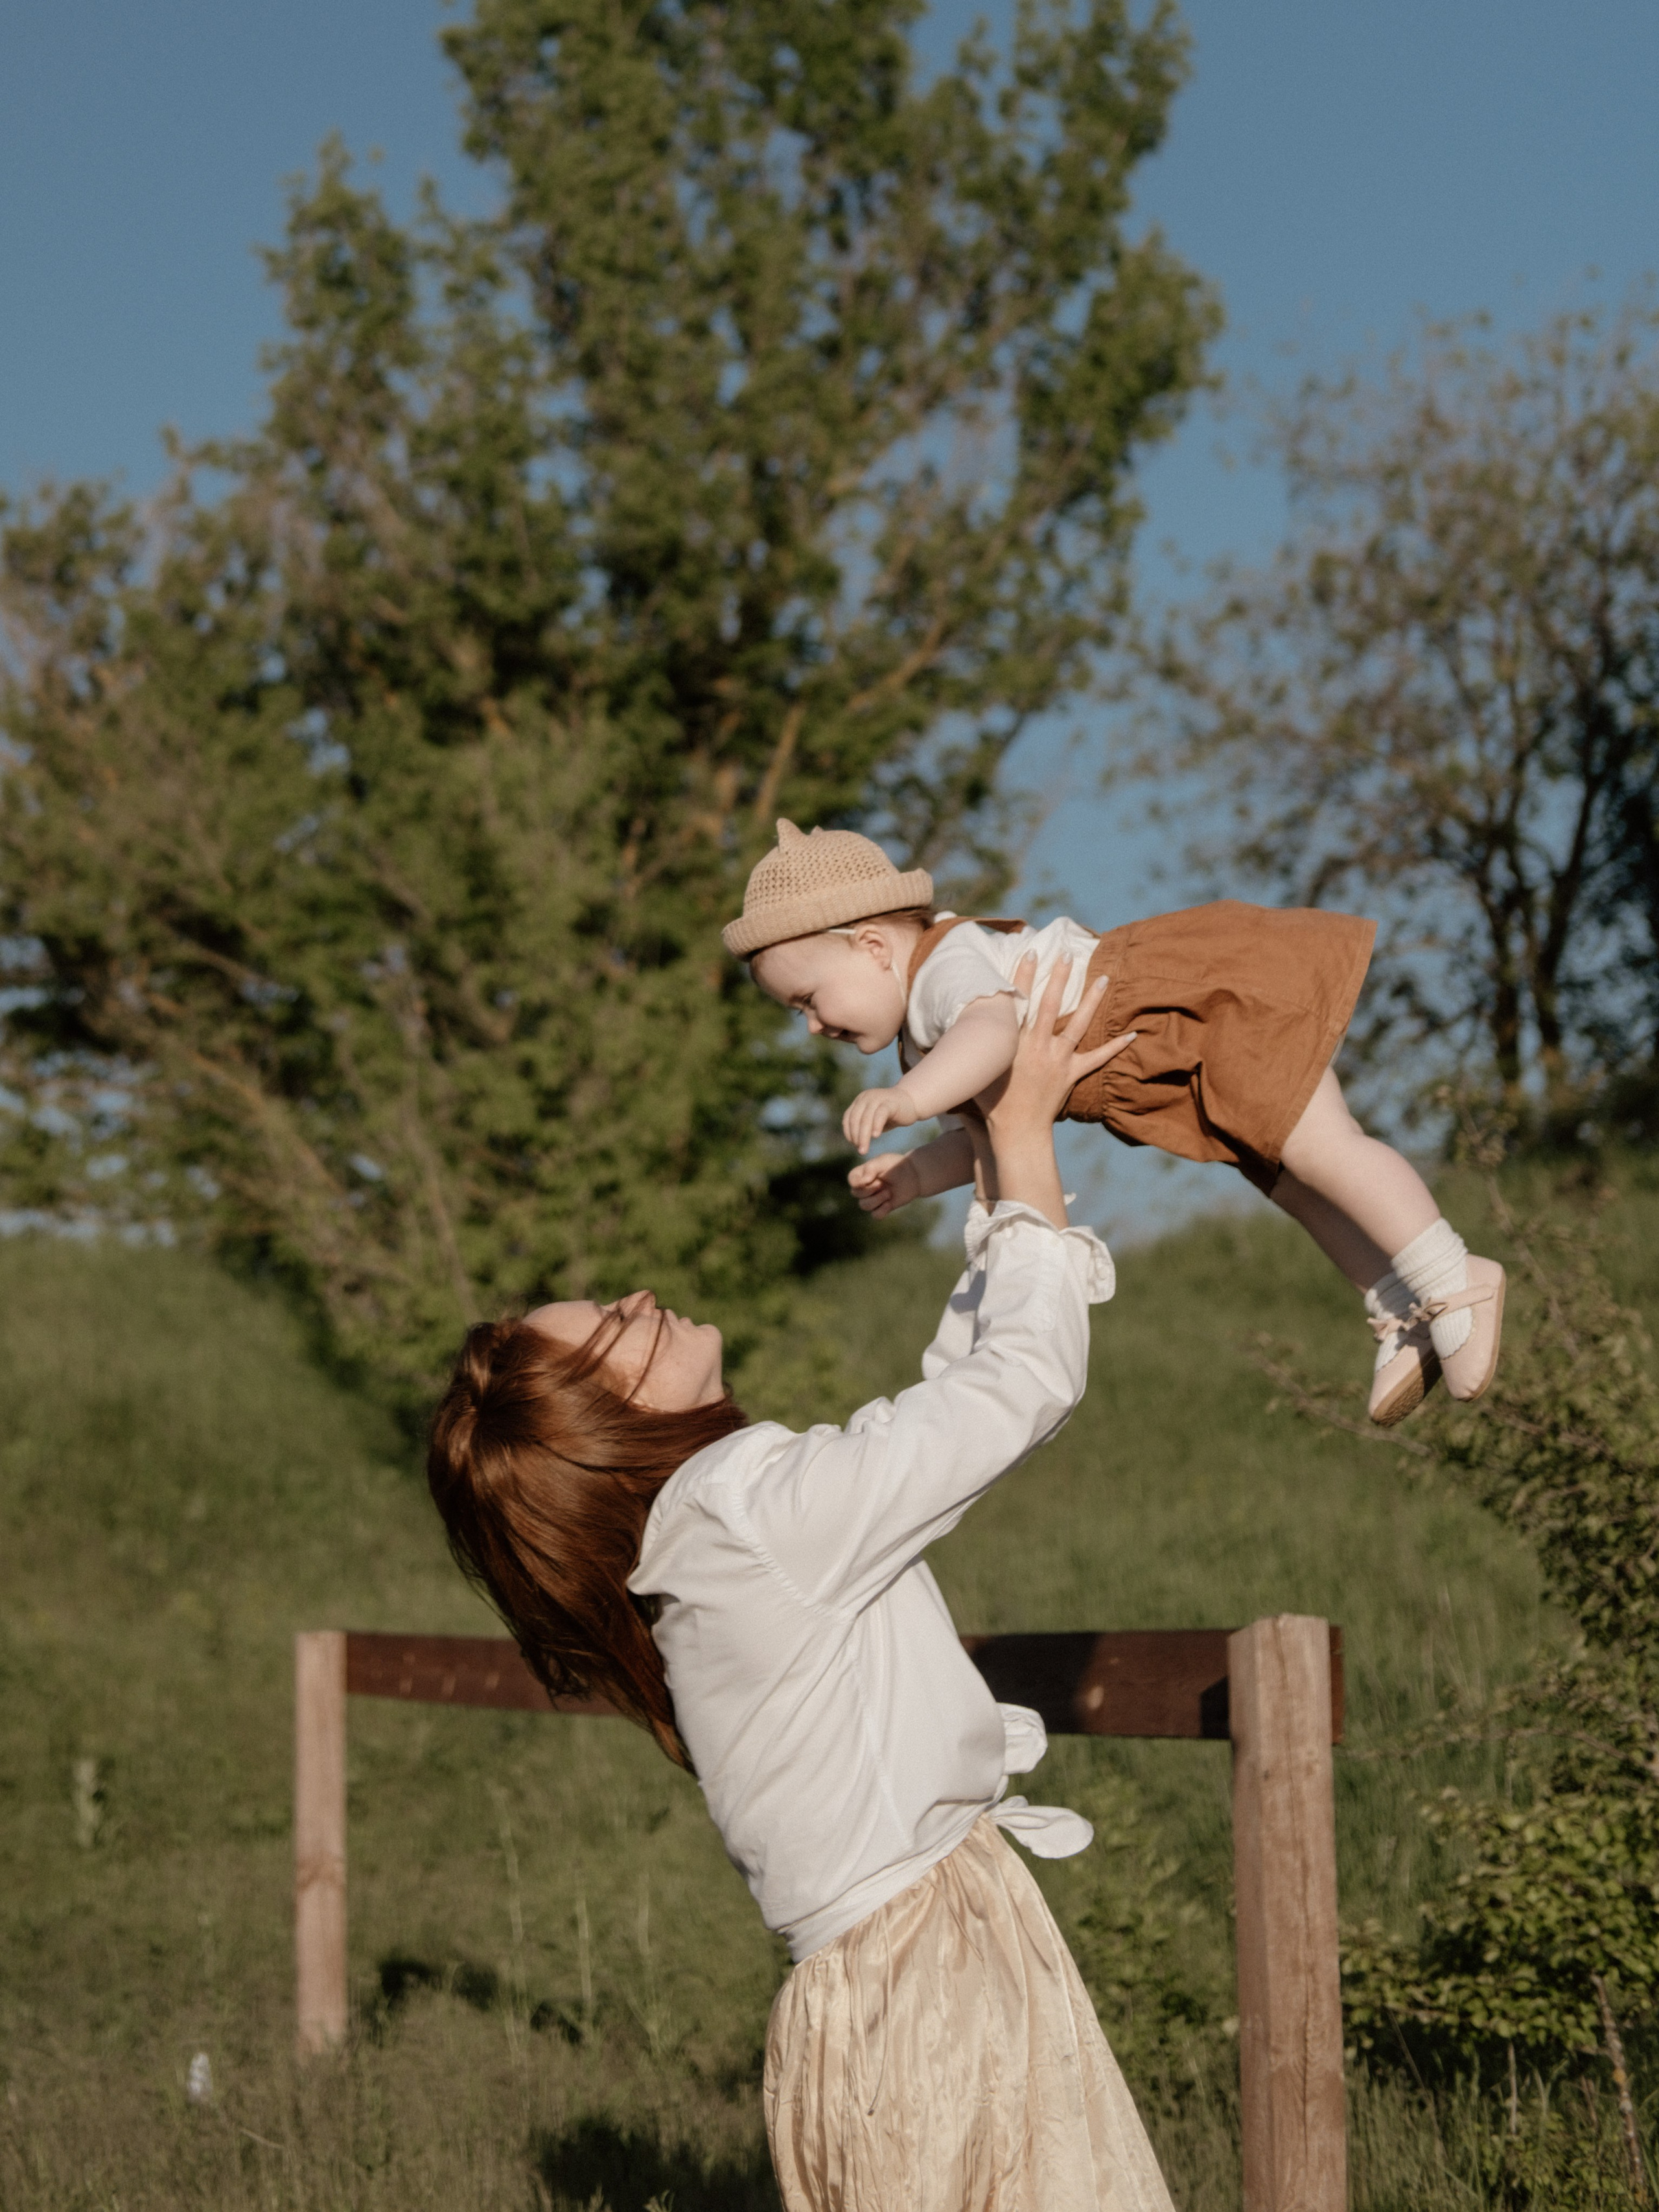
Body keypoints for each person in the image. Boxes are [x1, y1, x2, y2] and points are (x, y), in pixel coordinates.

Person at [426, 963, 1178, 2212]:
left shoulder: (708, 1537)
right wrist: (1030, 1136)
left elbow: (940, 1412)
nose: (642, 1297)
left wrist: (997, 1165)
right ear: (600, 1428)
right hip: (930, 1982)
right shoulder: (741, 1510)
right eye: (614, 1327)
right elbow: (1016, 1389)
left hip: (884, 1990)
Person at [724, 819, 1505, 1429]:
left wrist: (908, 1103)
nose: (811, 1027)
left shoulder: (946, 967)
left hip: (1192, 1015)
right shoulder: (928, 1034)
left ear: (869, 947)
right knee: (1290, 1182)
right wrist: (920, 1172)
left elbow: (995, 1032)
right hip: (1167, 1060)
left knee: (1322, 1148)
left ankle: (1451, 1275)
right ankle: (1397, 1301)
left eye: (808, 1000)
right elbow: (997, 1127)